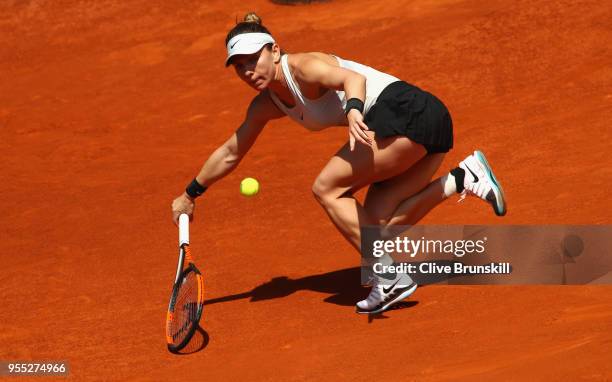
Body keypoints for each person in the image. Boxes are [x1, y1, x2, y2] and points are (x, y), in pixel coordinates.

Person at [171, 13, 507, 314]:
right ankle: (463, 177)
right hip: (422, 125)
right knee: (374, 231)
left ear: (274, 50)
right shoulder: (266, 104)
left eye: (253, 59)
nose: (247, 70)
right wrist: (190, 194)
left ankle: (389, 276)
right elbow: (232, 151)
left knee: (326, 188)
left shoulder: (303, 67)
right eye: (239, 65)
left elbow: (352, 80)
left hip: (406, 112)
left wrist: (354, 109)